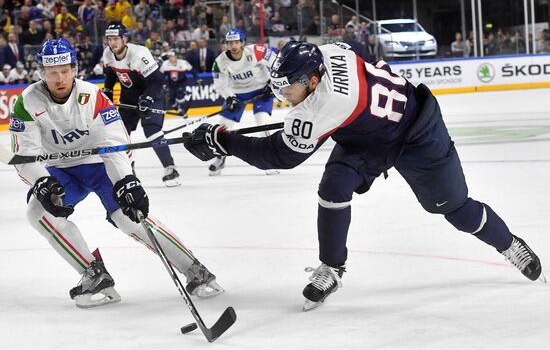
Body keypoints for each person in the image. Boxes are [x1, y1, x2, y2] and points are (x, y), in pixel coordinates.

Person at [183, 40, 544, 310]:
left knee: (454, 208)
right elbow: (360, 49)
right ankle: (331, 268)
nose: (282, 96)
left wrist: (223, 140)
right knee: (333, 187)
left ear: (312, 79)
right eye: (278, 86)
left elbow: (280, 155)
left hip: (419, 133)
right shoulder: (329, 52)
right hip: (367, 135)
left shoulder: (324, 106)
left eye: (288, 87)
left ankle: (509, 243)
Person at [9, 39, 223, 309]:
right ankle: (94, 275)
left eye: (64, 70)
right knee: (37, 213)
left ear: (75, 69)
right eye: (52, 72)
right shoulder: (26, 101)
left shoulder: (93, 96)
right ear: (41, 72)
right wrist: (42, 182)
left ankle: (194, 269)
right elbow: (24, 154)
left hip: (100, 165)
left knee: (129, 217)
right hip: (61, 171)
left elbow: (114, 144)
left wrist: (126, 181)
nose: (59, 78)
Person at [102, 23, 181, 187]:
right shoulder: (108, 54)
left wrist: (147, 99)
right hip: (128, 98)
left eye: (116, 39)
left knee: (152, 131)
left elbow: (157, 81)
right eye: (109, 39)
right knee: (120, 134)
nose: (112, 43)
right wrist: (108, 91)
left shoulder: (139, 54)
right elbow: (111, 74)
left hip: (152, 95)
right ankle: (127, 172)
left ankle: (170, 168)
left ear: (124, 39)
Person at [208, 28, 279, 176]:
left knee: (263, 124)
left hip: (261, 91)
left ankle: (270, 159)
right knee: (222, 126)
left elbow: (277, 63)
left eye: (236, 42)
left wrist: (273, 84)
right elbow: (220, 84)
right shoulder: (219, 62)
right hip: (238, 95)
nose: (233, 46)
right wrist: (229, 97)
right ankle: (220, 159)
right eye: (230, 43)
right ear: (226, 44)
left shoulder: (256, 51)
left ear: (242, 42)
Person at [160, 50, 193, 117]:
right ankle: (180, 111)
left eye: (173, 57)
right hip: (171, 84)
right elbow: (161, 75)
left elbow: (192, 70)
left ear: (176, 57)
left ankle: (185, 97)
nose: (171, 58)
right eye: (170, 57)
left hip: (181, 82)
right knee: (171, 100)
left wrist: (198, 78)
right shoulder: (165, 63)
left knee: (179, 96)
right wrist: (162, 83)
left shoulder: (183, 62)